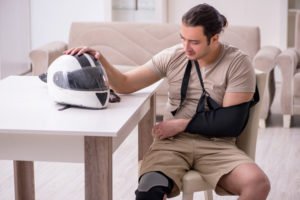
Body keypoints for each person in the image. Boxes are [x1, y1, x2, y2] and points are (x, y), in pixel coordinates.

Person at [65, 3, 270, 200]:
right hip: (172, 144)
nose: (186, 48)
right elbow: (126, 84)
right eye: (183, 39)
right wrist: (101, 60)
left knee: (258, 184)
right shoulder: (174, 56)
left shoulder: (237, 63)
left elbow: (231, 122)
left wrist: (181, 124)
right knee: (148, 191)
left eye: (194, 42)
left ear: (214, 38)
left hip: (216, 145)